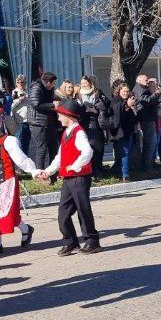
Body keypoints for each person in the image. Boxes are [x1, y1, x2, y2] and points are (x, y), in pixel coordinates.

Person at [36, 100, 100, 255]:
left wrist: (76, 165)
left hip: (79, 178)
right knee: (63, 213)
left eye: (60, 114)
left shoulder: (79, 132)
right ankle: (70, 242)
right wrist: (49, 171)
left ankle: (92, 241)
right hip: (67, 179)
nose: (58, 117)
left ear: (68, 116)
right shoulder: (66, 132)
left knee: (83, 211)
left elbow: (88, 151)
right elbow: (60, 156)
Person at [0, 109, 39, 254]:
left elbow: (20, 159)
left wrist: (33, 170)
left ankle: (25, 229)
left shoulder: (9, 141)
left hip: (7, 182)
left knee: (8, 212)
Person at [77, 75, 110, 179]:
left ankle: (97, 170)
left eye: (85, 83)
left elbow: (106, 105)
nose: (83, 85)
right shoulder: (78, 94)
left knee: (98, 147)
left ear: (90, 83)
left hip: (95, 121)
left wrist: (95, 109)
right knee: (87, 147)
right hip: (83, 122)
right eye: (82, 83)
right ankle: (89, 171)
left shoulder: (98, 93)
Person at [28, 72, 60, 170]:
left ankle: (53, 173)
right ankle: (40, 174)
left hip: (50, 122)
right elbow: (36, 104)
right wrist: (52, 105)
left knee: (53, 147)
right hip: (38, 123)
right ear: (48, 82)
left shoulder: (49, 89)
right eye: (53, 83)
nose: (54, 85)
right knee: (42, 149)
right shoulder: (36, 88)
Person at [108, 83, 138, 182]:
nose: (125, 93)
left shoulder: (130, 100)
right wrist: (126, 106)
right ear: (119, 91)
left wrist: (132, 108)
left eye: (127, 91)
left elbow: (135, 114)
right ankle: (125, 175)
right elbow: (116, 111)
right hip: (120, 132)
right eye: (123, 91)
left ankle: (120, 171)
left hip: (129, 131)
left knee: (126, 152)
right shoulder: (115, 100)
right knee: (124, 152)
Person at [132, 73, 160, 172]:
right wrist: (155, 94)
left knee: (151, 142)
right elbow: (146, 101)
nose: (147, 82)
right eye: (146, 80)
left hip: (148, 118)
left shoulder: (144, 89)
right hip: (145, 119)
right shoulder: (139, 89)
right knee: (149, 143)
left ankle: (150, 162)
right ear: (139, 81)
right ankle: (147, 166)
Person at [10, 75, 31, 153]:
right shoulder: (15, 92)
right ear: (16, 83)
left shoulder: (26, 92)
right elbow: (12, 106)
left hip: (27, 120)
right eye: (18, 82)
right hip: (20, 121)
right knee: (20, 141)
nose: (20, 84)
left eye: (22, 82)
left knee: (26, 141)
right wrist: (19, 100)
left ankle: (25, 156)